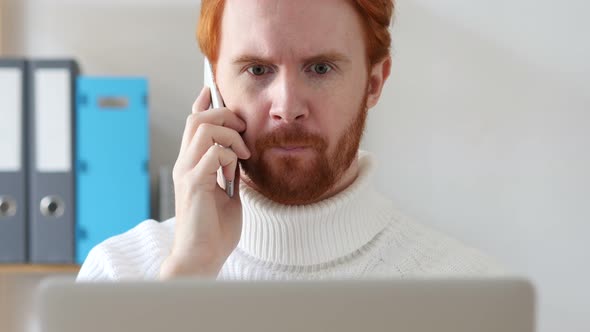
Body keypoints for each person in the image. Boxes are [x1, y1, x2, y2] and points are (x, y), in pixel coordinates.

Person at [77, 0, 504, 281]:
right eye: (257, 70)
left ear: (374, 83)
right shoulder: (119, 275)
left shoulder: (468, 288)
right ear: (213, 82)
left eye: (320, 69)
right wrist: (191, 271)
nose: (287, 106)